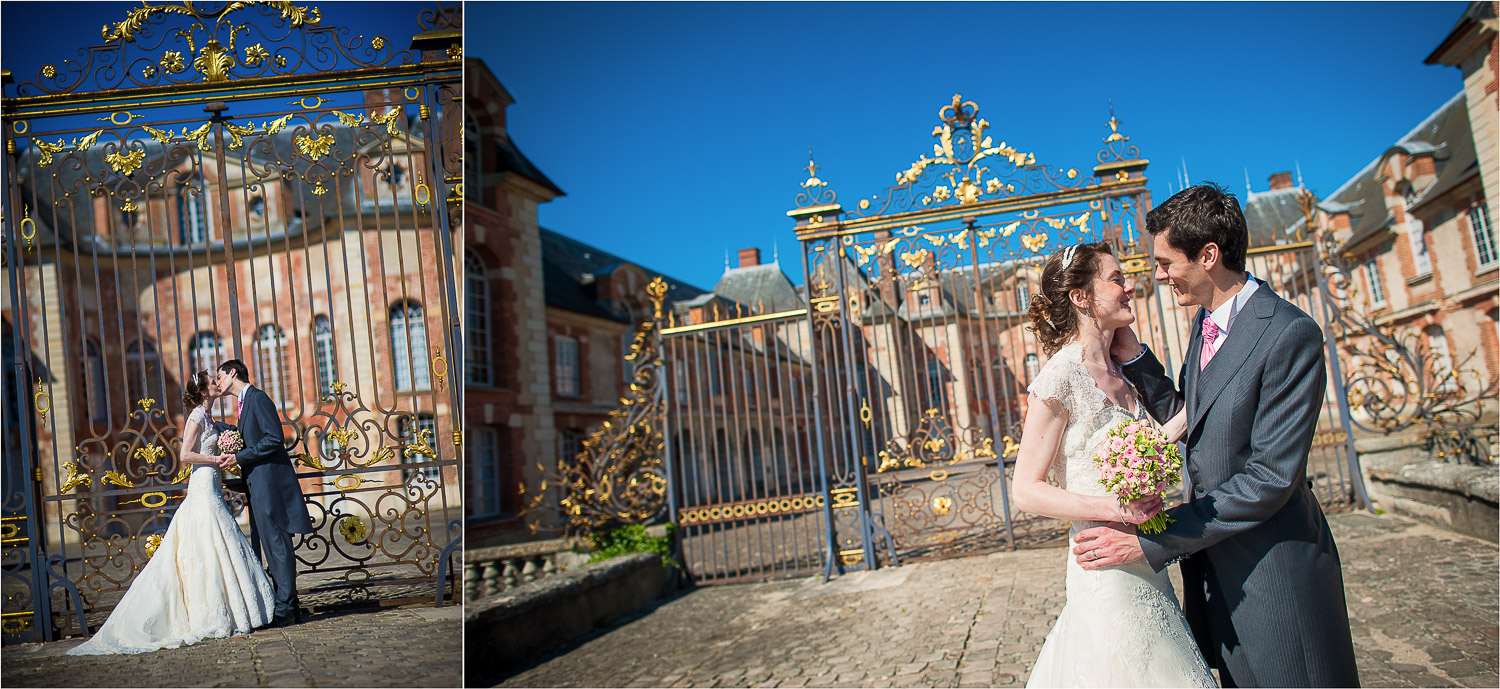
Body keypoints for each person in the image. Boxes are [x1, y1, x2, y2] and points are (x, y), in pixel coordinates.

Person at [1073, 183, 1359, 687]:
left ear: (1208, 255)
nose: (1157, 276)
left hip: (1275, 575)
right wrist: (1137, 361)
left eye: (1165, 262)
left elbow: (1270, 477)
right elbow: (1198, 419)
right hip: (1217, 576)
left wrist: (1157, 541)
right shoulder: (1206, 323)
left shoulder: (1289, 333)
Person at [1014, 241, 1215, 687]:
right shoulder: (1059, 377)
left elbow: (1148, 444)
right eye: (1117, 279)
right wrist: (1116, 509)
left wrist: (1209, 397)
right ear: (1081, 298)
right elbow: (1025, 490)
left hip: (1146, 562)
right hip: (1101, 565)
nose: (1130, 287)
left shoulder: (1123, 371)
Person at [69, 371, 275, 655]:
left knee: (215, 542)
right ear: (204, 392)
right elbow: (185, 455)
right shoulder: (196, 418)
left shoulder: (210, 417)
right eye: (212, 382)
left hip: (213, 483)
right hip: (202, 485)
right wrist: (215, 458)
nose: (218, 384)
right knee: (208, 540)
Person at [215, 359, 314, 628]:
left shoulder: (258, 398)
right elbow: (249, 437)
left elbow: (273, 439)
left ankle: (286, 608)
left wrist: (238, 457)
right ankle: (285, 604)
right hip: (257, 486)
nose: (218, 382)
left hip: (270, 486)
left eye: (220, 376)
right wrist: (216, 427)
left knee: (278, 547)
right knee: (271, 547)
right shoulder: (243, 404)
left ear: (233, 373)